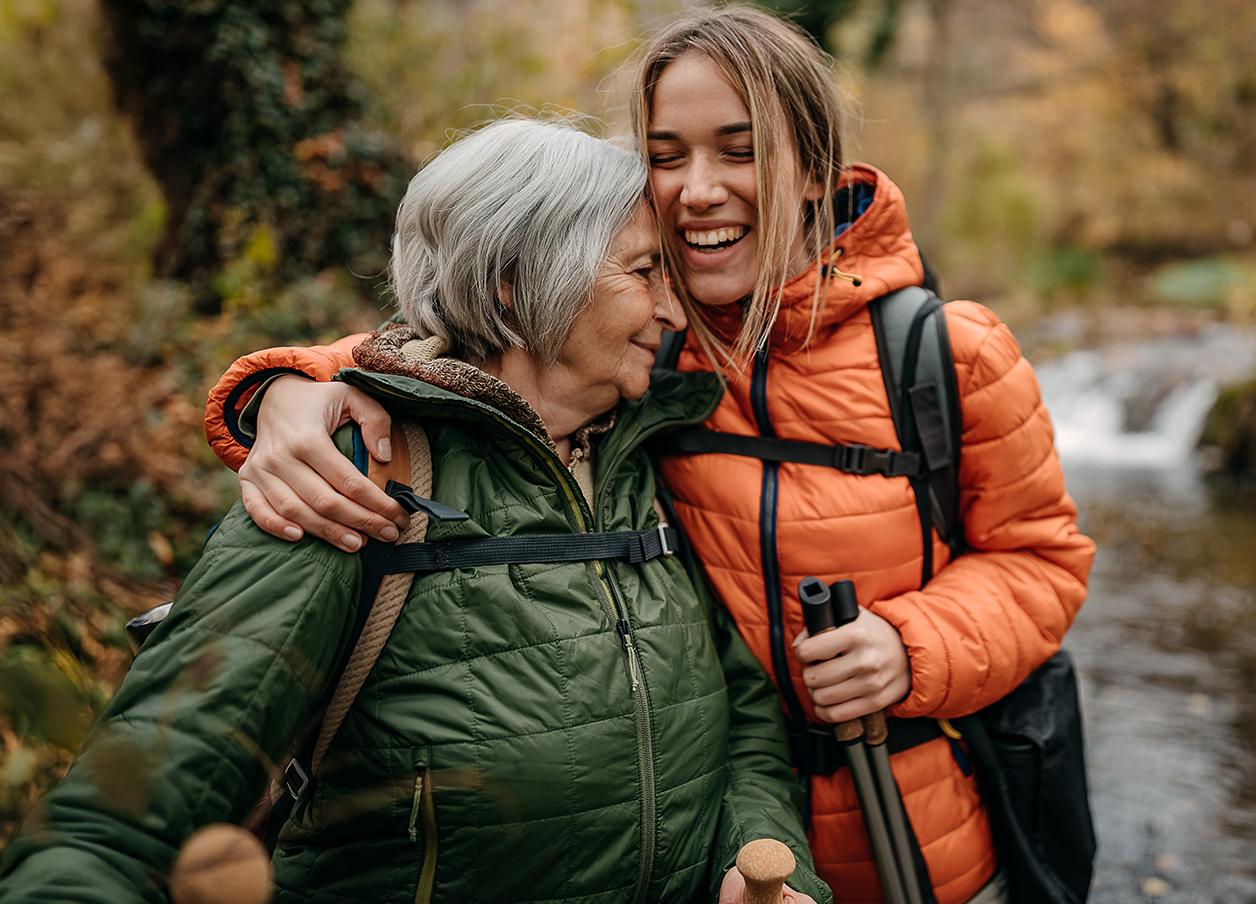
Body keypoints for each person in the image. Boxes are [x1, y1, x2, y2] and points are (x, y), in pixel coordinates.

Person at [193, 8, 1097, 904]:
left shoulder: (948, 354)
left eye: (739, 151)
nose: (697, 189)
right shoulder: (644, 341)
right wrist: (290, 385)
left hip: (923, 848)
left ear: (817, 169)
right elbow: (462, 345)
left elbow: (1044, 564)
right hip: (711, 853)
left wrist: (913, 645)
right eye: (667, 156)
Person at [0, 119, 830, 904]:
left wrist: (752, 860)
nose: (673, 311)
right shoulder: (354, 474)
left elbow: (740, 726)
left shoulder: (643, 466)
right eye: (643, 273)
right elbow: (136, 792)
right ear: (515, 284)